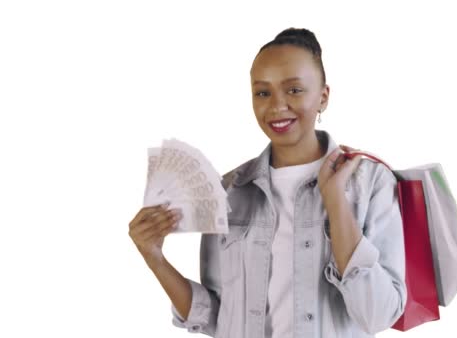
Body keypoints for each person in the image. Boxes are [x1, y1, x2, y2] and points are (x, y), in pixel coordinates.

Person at [128, 27, 406, 338]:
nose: (276, 106)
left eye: (294, 90)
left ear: (323, 96)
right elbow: (216, 317)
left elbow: (379, 314)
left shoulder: (371, 184)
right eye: (263, 92)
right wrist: (155, 258)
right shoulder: (228, 191)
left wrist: (336, 202)